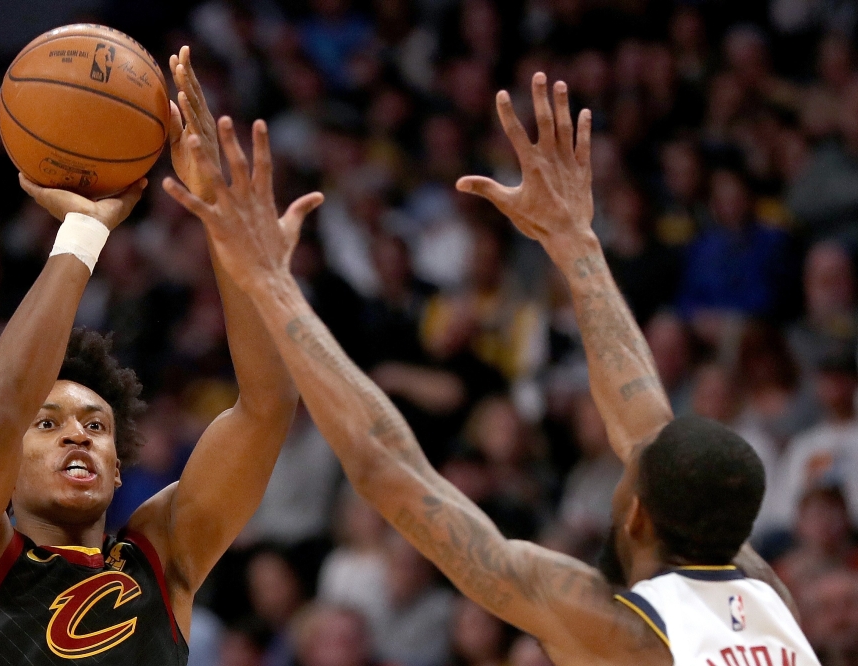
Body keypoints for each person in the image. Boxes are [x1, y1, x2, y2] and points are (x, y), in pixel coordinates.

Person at [168, 72, 820, 665]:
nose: (630, 454)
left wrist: (270, 285)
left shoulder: (615, 631)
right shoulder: (764, 594)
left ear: (641, 516)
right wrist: (574, 243)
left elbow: (386, 470)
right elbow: (643, 413)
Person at [0, 47, 321, 666]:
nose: (78, 435)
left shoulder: (162, 558)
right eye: (48, 423)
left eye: (95, 426)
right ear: (4, 474)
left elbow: (267, 407)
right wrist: (83, 232)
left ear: (120, 469)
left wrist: (218, 211)